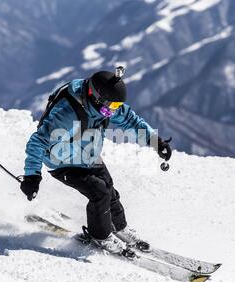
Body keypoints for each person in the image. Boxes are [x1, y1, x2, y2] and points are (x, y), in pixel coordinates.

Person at [20, 67, 172, 254]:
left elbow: (131, 120)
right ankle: (100, 236)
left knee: (109, 188)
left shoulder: (105, 105)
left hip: (88, 155)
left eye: (116, 107)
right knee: (99, 191)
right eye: (112, 106)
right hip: (61, 162)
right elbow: (38, 141)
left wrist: (156, 142)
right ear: (96, 96)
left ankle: (119, 227)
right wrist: (32, 176)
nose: (113, 111)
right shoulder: (68, 112)